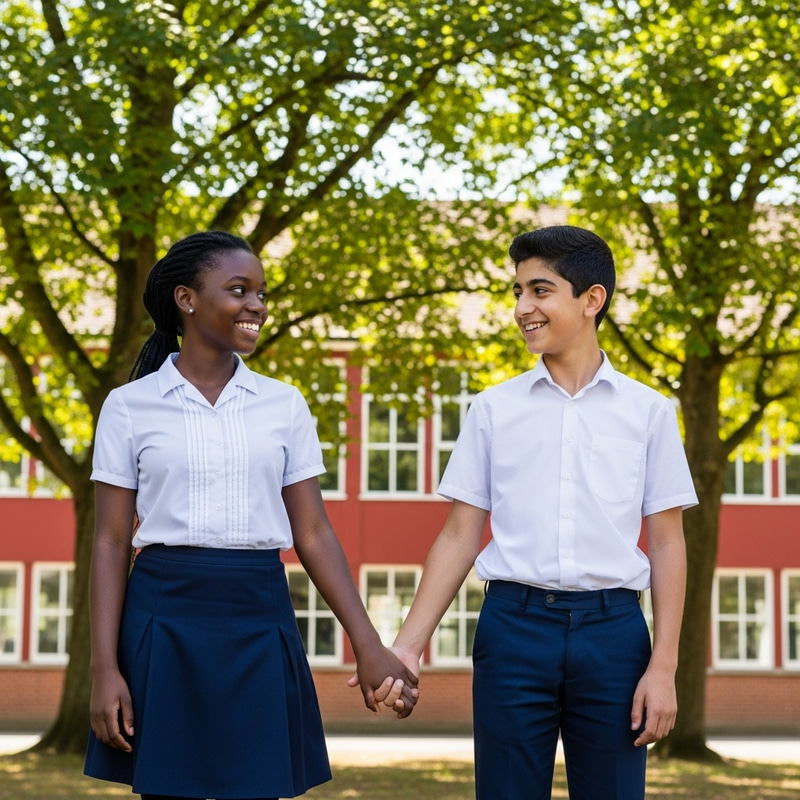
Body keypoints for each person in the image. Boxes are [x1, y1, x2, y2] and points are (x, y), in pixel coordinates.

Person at [84, 230, 418, 800]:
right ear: (187, 299)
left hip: (258, 614)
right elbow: (112, 543)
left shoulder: (283, 404)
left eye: (261, 293)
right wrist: (103, 668)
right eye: (239, 290)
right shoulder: (129, 406)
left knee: (259, 787)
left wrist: (368, 644)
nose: (257, 305)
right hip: (164, 616)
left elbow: (312, 532)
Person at [376, 225, 697, 799]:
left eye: (540, 291)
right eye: (518, 292)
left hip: (616, 635)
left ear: (591, 299)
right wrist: (407, 647)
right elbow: (457, 538)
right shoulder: (492, 409)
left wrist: (663, 667)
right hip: (513, 630)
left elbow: (668, 543)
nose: (523, 308)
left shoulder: (650, 413)